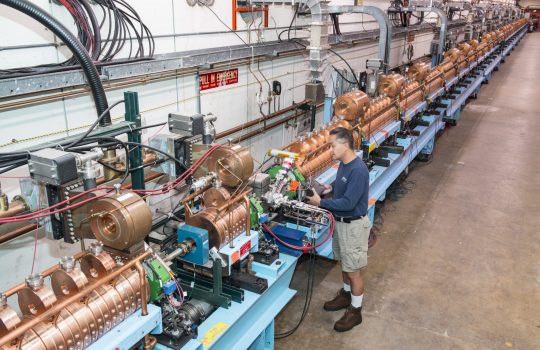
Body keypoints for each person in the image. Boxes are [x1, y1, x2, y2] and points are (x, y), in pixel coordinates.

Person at [306, 127, 371, 332]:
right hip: (341, 224)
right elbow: (342, 187)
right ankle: (345, 295)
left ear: (345, 144)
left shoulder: (358, 170)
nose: (330, 150)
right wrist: (328, 189)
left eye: (332, 146)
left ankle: (356, 311)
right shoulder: (344, 164)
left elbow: (349, 203)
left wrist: (320, 203)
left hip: (353, 226)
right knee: (345, 264)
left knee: (354, 272)